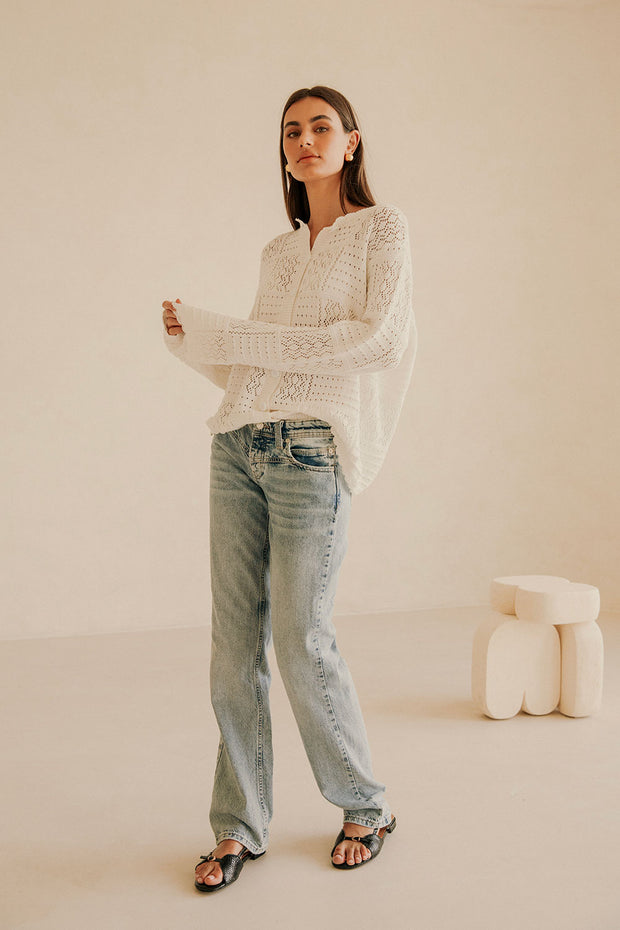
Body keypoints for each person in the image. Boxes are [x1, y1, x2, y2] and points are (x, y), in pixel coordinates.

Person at [162, 84, 417, 894]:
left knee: (302, 637)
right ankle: (238, 824)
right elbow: (261, 365)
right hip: (238, 443)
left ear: (351, 143)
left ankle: (365, 805)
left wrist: (243, 337)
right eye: (291, 132)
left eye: (321, 128)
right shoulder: (279, 251)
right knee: (233, 647)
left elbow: (373, 342)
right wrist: (197, 342)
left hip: (311, 451)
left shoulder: (382, 229)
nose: (305, 141)